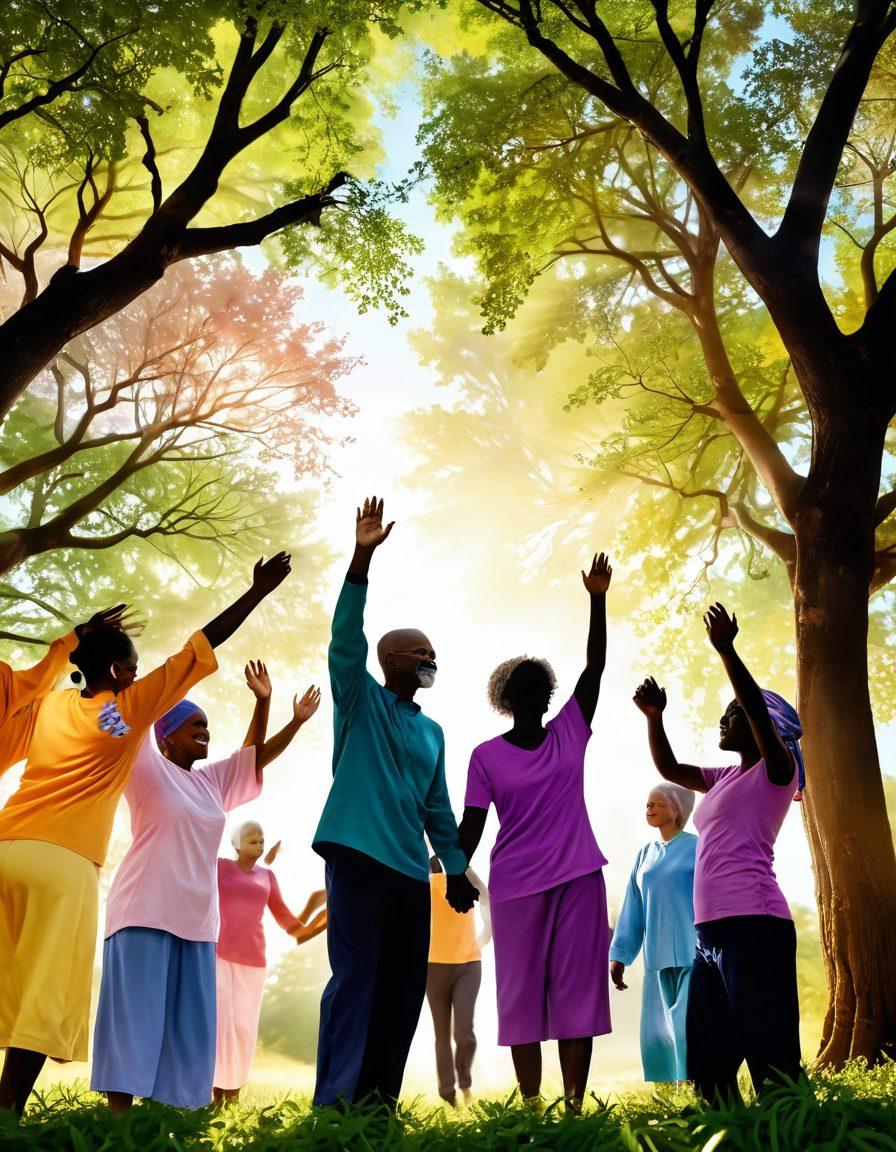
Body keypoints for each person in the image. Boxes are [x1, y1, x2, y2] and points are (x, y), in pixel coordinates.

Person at [0, 553, 292, 1116]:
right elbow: (198, 648)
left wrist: (69, 642)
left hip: (8, 842)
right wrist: (255, 594)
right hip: (62, 862)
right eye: (131, 668)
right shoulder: (129, 715)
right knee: (43, 991)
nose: (137, 675)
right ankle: (8, 1108)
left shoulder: (48, 707)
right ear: (116, 673)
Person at [91, 658, 320, 1113]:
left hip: (197, 924)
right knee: (136, 1017)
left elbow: (253, 755)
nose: (205, 731)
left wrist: (267, 702)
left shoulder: (213, 784)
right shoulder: (145, 763)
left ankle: (170, 1115)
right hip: (143, 911)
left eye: (207, 726)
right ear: (166, 735)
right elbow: (108, 718)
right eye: (194, 725)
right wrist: (115, 682)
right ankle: (118, 1117)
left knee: (188, 1028)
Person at [312, 496, 477, 1109]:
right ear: (391, 661)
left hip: (412, 872)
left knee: (404, 988)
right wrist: (361, 557)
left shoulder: (432, 732)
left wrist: (455, 868)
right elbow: (344, 637)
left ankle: (378, 1107)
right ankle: (336, 1104)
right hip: (357, 855)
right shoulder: (359, 698)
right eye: (421, 653)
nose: (431, 660)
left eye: (433, 653)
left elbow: (438, 809)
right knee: (356, 979)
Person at [456, 552, 614, 1111]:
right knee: (521, 992)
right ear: (506, 700)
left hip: (577, 878)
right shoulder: (485, 756)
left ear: (548, 695)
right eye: (519, 689)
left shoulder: (571, 729)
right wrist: (455, 871)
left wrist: (597, 600)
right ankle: (531, 1106)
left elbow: (594, 669)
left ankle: (572, 1106)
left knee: (577, 990)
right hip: (517, 886)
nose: (532, 694)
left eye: (538, 686)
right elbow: (470, 825)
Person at [633, 602, 805, 1103]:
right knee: (709, 1057)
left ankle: (793, 1129)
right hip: (709, 931)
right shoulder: (723, 777)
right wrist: (653, 716)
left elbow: (752, 705)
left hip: (756, 923)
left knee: (770, 1051)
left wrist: (727, 650)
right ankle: (726, 1131)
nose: (724, 720)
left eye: (733, 716)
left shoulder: (776, 772)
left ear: (760, 727)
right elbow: (668, 764)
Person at [214, 823, 327, 1103]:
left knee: (243, 1026)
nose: (258, 837)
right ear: (236, 843)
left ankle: (233, 1092)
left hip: (254, 960)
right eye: (251, 833)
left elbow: (285, 917)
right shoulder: (219, 867)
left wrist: (318, 919)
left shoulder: (267, 876)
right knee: (220, 1024)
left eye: (262, 835)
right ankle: (214, 1090)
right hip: (217, 954)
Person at [609, 783, 697, 1083]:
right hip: (656, 954)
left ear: (678, 810)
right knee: (659, 1029)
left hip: (695, 951)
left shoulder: (699, 847)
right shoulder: (645, 854)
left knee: (689, 1023)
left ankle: (696, 1081)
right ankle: (669, 1085)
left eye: (658, 804)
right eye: (648, 804)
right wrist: (620, 955)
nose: (650, 809)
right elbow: (632, 906)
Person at [426, 854, 491, 1108]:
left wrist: (487, 932)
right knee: (441, 1034)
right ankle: (447, 1093)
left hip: (468, 963)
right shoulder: (422, 870)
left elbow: (485, 895)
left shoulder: (464, 869)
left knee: (464, 1033)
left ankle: (464, 1082)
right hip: (434, 965)